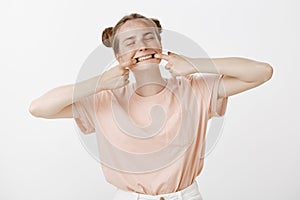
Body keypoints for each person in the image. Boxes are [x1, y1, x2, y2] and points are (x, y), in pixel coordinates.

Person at [29, 13, 273, 200]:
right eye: (129, 42)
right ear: (118, 56)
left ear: (159, 43)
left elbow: (261, 72)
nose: (142, 45)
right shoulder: (103, 99)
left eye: (148, 37)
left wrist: (195, 64)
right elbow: (39, 108)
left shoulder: (193, 89)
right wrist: (100, 82)